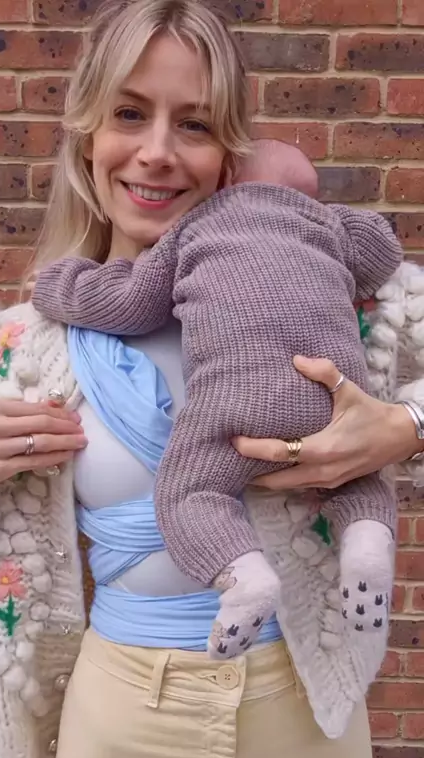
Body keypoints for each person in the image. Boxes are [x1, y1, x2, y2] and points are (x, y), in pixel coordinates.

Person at [0, 1, 424, 758]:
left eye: (194, 124)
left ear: (229, 152)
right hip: (118, 754)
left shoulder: (348, 304)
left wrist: (407, 425)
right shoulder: (21, 347)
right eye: (130, 114)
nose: (158, 152)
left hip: (309, 751)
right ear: (87, 134)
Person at [33, 139, 402, 658]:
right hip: (333, 398)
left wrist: (57, 283)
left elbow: (128, 304)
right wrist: (336, 222)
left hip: (237, 405)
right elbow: (382, 252)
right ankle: (366, 539)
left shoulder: (194, 227)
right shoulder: (327, 226)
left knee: (189, 494)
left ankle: (243, 574)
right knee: (358, 474)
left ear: (223, 181)